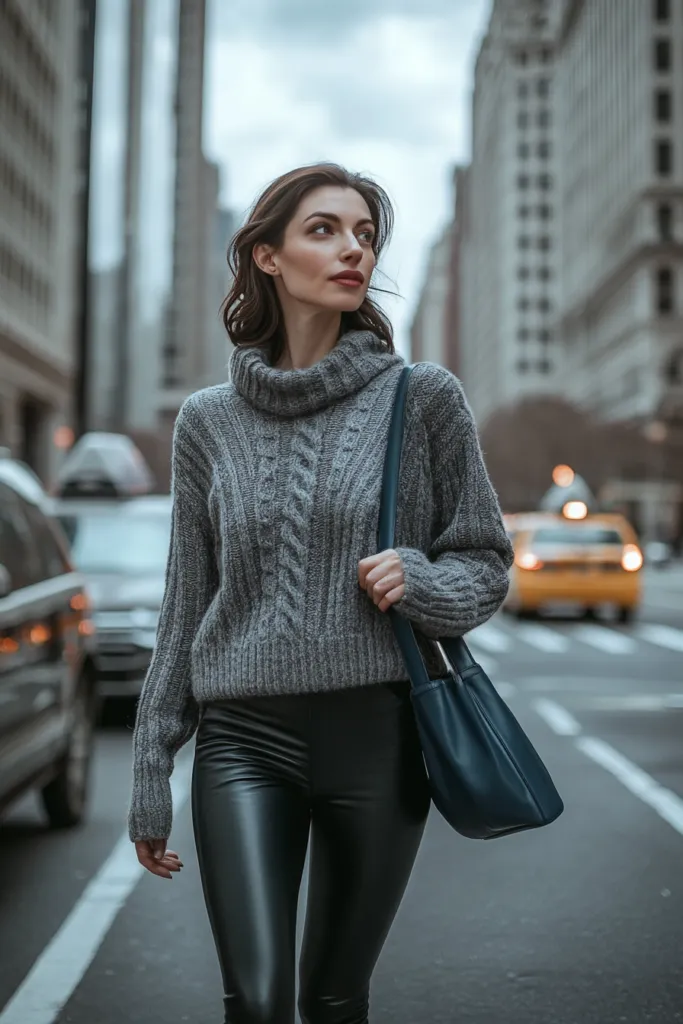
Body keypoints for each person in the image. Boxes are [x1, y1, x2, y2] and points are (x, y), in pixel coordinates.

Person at [128, 162, 514, 1024]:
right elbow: (186, 602)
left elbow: (486, 560)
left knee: (333, 998)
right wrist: (153, 764)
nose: (353, 250)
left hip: (376, 738)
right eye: (324, 230)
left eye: (365, 235)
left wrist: (422, 579)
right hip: (242, 743)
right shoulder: (206, 422)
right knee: (257, 1003)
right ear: (266, 256)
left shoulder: (422, 400)